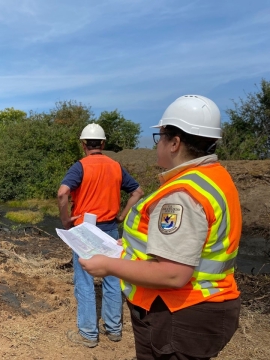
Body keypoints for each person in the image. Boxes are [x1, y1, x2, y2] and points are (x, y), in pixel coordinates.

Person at [80, 95, 242, 360]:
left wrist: (108, 266)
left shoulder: (182, 195)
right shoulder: (214, 177)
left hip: (179, 313)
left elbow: (172, 274)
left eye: (161, 137)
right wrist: (128, 248)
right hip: (202, 308)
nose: (158, 144)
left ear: (175, 143)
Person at [58, 123, 144, 348]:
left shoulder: (80, 167)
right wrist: (122, 216)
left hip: (85, 230)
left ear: (83, 144)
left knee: (84, 282)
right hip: (110, 229)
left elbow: (63, 193)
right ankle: (114, 329)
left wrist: (66, 220)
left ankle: (88, 333)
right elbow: (137, 191)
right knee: (113, 279)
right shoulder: (115, 166)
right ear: (103, 144)